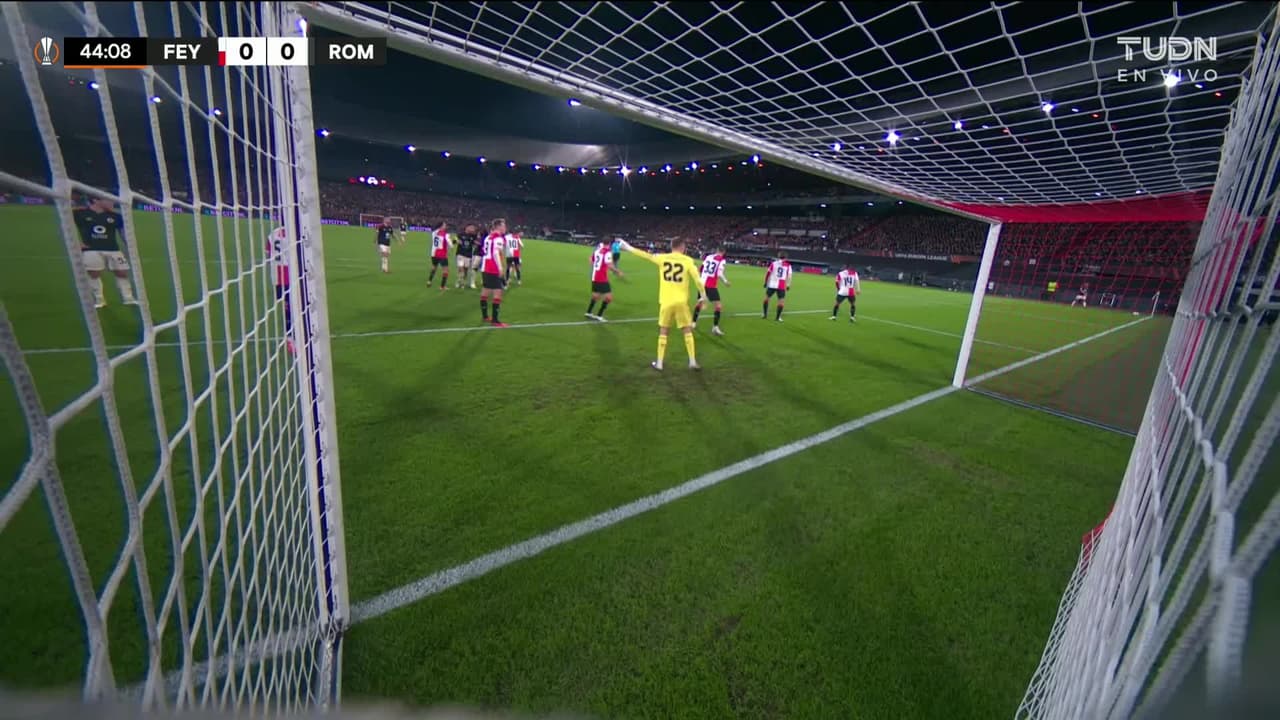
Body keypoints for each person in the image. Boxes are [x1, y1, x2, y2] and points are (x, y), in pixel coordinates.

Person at [618, 237, 705, 371]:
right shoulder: (688, 260)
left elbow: (645, 255)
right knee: (687, 330)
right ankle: (692, 361)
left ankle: (659, 363)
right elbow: (698, 280)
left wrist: (628, 247)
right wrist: (703, 296)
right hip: (681, 302)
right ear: (682, 247)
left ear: (672, 246)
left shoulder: (662, 258)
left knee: (664, 330)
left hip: (666, 301)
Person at [74, 195, 136, 308]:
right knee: (94, 274)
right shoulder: (80, 213)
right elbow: (66, 223)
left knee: (122, 272)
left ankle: (128, 298)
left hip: (113, 249)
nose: (112, 202)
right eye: (108, 200)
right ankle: (99, 299)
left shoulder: (115, 216)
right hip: (91, 249)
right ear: (96, 200)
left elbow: (123, 233)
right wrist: (76, 242)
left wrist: (129, 246)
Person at [268, 225, 296, 354]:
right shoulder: (293, 234)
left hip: (276, 276)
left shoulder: (272, 234)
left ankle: (290, 338)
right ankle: (291, 339)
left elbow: (268, 254)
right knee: (293, 308)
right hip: (289, 275)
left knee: (287, 308)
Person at [693, 245, 731, 336]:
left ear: (717, 250)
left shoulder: (708, 256)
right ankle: (715, 327)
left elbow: (701, 269)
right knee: (718, 306)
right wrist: (725, 281)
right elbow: (719, 273)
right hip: (710, 285)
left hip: (702, 283)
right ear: (724, 252)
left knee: (699, 303)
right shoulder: (722, 260)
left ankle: (693, 323)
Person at [478, 218, 508, 327]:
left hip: (485, 266)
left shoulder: (488, 237)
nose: (505, 228)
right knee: (497, 293)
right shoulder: (498, 238)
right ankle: (495, 320)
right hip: (492, 267)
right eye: (503, 226)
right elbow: (495, 253)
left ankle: (485, 316)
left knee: (485, 291)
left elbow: (485, 251)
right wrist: (500, 267)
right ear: (498, 226)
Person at [586, 239, 624, 321]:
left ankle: (588, 312)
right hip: (602, 278)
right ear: (609, 244)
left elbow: (591, 260)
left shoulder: (597, 251)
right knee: (609, 298)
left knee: (596, 295)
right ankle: (599, 315)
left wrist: (597, 267)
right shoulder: (607, 252)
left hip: (594, 276)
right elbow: (609, 265)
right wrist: (618, 272)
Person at [762, 251, 792, 321]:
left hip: (772, 284)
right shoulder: (788, 265)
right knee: (781, 301)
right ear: (786, 257)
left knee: (766, 299)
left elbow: (768, 273)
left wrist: (765, 282)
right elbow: (789, 276)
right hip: (781, 285)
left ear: (778, 256)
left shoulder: (774, 263)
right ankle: (778, 318)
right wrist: (788, 285)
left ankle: (764, 314)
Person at [427, 222, 452, 291]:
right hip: (441, 254)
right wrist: (455, 241)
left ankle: (429, 281)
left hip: (434, 253)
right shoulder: (446, 235)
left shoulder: (434, 233)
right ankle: (442, 286)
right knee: (446, 271)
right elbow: (451, 245)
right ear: (441, 226)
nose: (446, 226)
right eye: (444, 225)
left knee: (434, 267)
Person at [455, 224, 479, 289]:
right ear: (467, 227)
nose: (472, 229)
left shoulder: (473, 236)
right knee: (461, 268)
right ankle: (458, 281)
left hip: (468, 255)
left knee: (466, 269)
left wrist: (476, 243)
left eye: (473, 228)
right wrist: (457, 241)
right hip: (460, 254)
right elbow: (454, 240)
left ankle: (463, 282)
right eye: (471, 227)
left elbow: (475, 243)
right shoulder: (461, 234)